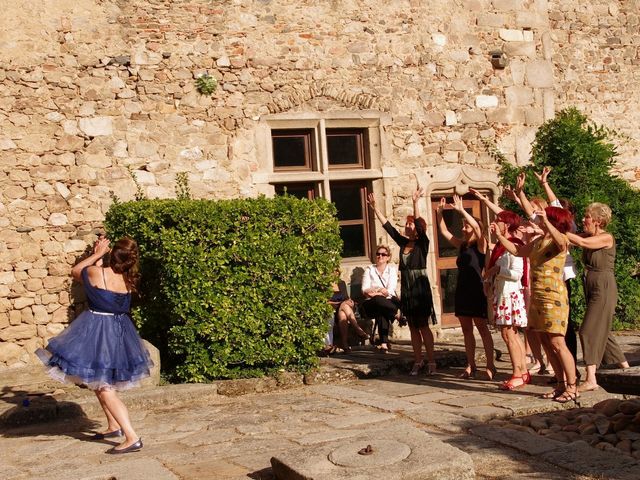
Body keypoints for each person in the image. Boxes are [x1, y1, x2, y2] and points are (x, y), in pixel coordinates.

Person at [36, 236, 152, 454]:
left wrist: (97, 253)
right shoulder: (127, 278)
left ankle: (131, 436)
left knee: (105, 387)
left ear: (112, 254)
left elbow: (76, 271)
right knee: (99, 381)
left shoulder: (97, 273)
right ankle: (113, 426)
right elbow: (101, 288)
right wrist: (100, 261)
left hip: (98, 330)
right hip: (119, 332)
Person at [498, 172, 578, 405]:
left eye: (544, 218)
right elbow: (516, 251)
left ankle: (572, 387)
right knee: (544, 341)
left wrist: (547, 223)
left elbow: (563, 240)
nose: (537, 220)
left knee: (557, 342)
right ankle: (560, 384)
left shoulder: (559, 241)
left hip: (554, 297)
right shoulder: (537, 242)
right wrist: (500, 236)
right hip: (538, 297)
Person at [367, 186, 437, 375]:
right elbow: (389, 228)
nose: (408, 226)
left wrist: (415, 202)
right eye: (407, 224)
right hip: (408, 287)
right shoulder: (404, 243)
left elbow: (421, 228)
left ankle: (431, 361)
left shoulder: (423, 243)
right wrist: (375, 208)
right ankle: (418, 360)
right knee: (413, 326)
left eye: (411, 224)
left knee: (423, 325)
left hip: (420, 287)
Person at [567, 202, 630, 392]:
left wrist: (556, 229)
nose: (583, 220)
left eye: (587, 217)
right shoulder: (589, 234)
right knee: (603, 332)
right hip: (593, 286)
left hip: (604, 287)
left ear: (597, 221)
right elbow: (570, 238)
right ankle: (626, 370)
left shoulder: (606, 238)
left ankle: (591, 378)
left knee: (588, 331)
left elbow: (582, 243)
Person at [437, 193, 495, 380]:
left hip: (477, 290)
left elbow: (478, 228)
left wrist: (462, 210)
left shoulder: (481, 244)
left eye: (465, 225)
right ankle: (471, 365)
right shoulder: (462, 246)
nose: (463, 228)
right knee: (466, 330)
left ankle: (490, 364)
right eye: (463, 225)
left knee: (482, 328)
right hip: (462, 290)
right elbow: (445, 232)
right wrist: (439, 213)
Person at [487, 211, 529, 390]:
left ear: (508, 224)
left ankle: (517, 373)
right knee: (509, 334)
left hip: (510, 294)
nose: (496, 222)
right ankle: (523, 370)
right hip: (502, 293)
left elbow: (517, 274)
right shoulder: (501, 245)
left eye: (499, 220)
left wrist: (498, 270)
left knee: (510, 334)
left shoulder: (515, 245)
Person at [360, 244, 400, 354]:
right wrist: (379, 290)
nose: (380, 256)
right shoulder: (369, 270)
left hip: (385, 303)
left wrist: (375, 291)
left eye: (383, 254)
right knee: (378, 300)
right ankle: (396, 314)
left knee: (382, 310)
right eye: (378, 254)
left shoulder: (392, 270)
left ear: (388, 257)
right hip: (370, 304)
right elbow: (364, 290)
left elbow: (390, 291)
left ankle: (383, 344)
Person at [328, 276, 368, 353]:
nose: (334, 273)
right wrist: (338, 303)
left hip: (342, 309)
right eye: (332, 271)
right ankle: (358, 330)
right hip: (332, 309)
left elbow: (346, 298)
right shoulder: (324, 284)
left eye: (336, 271)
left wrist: (350, 301)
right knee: (343, 309)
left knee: (343, 312)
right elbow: (325, 301)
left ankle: (345, 344)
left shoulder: (341, 283)